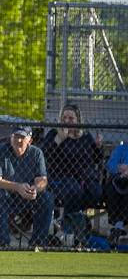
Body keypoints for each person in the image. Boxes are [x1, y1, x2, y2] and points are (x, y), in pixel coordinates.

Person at [40, 103, 103, 245]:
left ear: (78, 120)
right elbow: (44, 156)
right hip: (60, 178)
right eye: (64, 117)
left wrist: (99, 147)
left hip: (85, 178)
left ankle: (68, 222)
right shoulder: (54, 134)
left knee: (96, 192)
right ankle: (69, 230)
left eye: (71, 118)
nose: (67, 121)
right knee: (74, 190)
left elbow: (97, 159)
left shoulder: (85, 136)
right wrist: (59, 139)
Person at [0, 126, 53, 249]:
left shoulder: (36, 153)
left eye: (22, 137)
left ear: (30, 140)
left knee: (47, 198)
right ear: (11, 138)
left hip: (28, 197)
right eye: (16, 136)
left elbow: (42, 180)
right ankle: (3, 244)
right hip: (5, 197)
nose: (18, 140)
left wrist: (35, 189)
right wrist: (18, 187)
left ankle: (38, 243)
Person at [105, 142, 128, 248]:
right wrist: (120, 168)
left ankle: (117, 227)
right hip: (118, 178)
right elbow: (110, 165)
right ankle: (118, 226)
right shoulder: (121, 148)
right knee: (112, 186)